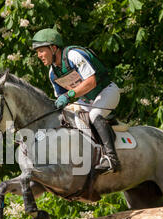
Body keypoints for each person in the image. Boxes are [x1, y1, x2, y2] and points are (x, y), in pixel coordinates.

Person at [31, 28, 121, 173]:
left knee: (93, 116)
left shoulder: (74, 55)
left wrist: (68, 96)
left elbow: (91, 82)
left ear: (53, 48)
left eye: (41, 50)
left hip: (106, 92)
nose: (39, 55)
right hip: (85, 101)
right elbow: (63, 99)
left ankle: (112, 159)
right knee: (68, 120)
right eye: (37, 52)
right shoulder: (52, 73)